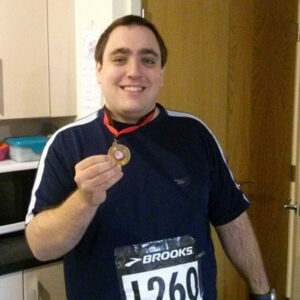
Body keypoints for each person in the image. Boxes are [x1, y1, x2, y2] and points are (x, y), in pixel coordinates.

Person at [25, 15, 275, 300]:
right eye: (119, 59)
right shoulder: (68, 143)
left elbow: (232, 221)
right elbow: (40, 247)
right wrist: (84, 200)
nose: (134, 72)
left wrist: (262, 293)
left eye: (148, 60)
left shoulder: (195, 134)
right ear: (98, 69)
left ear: (161, 73)